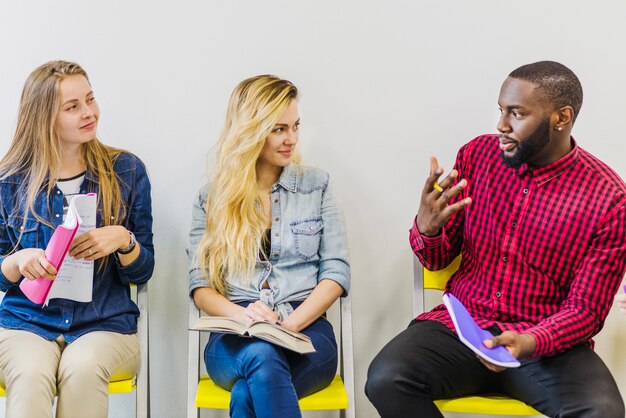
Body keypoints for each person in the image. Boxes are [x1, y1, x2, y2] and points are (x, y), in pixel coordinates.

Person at [366, 61, 626, 417]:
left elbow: (586, 310)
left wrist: (530, 341)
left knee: (603, 412)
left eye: (516, 114)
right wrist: (428, 230)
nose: (501, 125)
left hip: (545, 342)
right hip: (463, 329)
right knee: (386, 378)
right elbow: (438, 260)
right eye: (501, 111)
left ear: (561, 118)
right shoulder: (477, 156)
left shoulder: (609, 198)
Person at [188, 75, 350, 418]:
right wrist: (244, 316)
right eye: (278, 129)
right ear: (250, 131)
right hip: (234, 337)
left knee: (249, 390)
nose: (291, 139)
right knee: (261, 356)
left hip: (307, 332)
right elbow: (201, 287)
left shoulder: (317, 186)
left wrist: (288, 327)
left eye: (295, 126)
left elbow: (335, 274)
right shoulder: (212, 199)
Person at [0, 61, 154, 418]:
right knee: (30, 372)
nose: (89, 113)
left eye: (90, 99)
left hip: (106, 324)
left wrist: (123, 240)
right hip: (26, 323)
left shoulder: (127, 171)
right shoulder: (9, 183)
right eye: (72, 107)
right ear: (43, 119)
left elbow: (143, 273)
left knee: (82, 369)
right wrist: (18, 261)